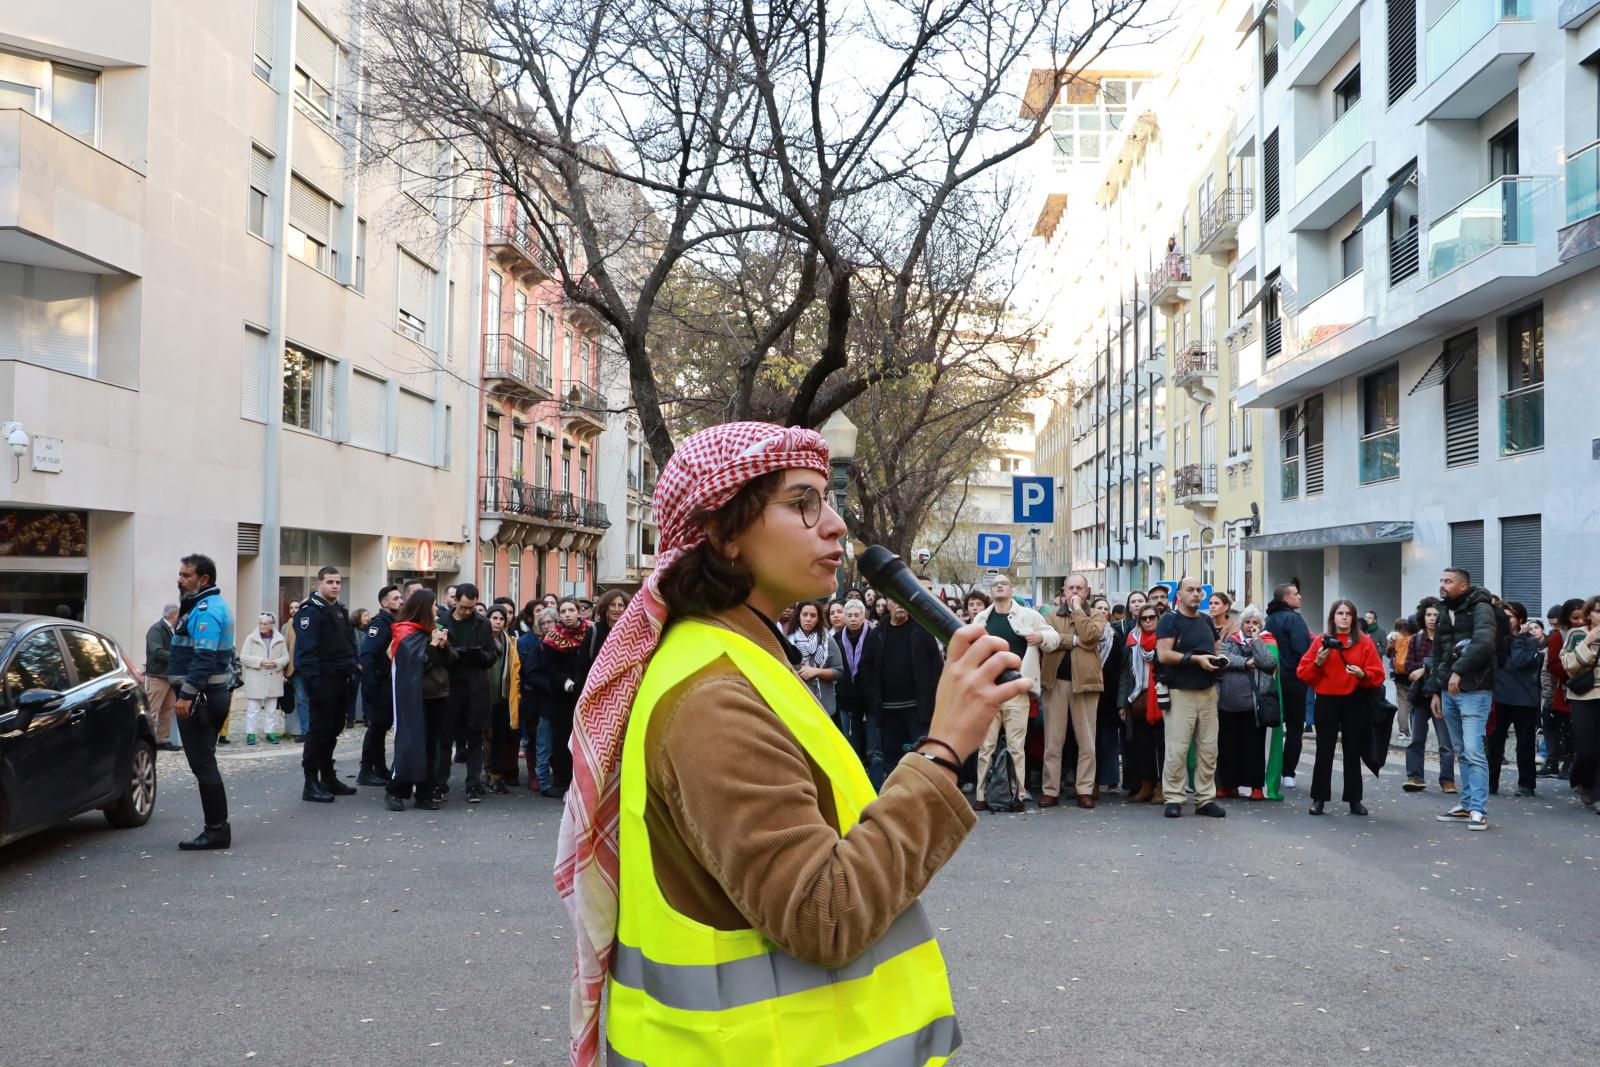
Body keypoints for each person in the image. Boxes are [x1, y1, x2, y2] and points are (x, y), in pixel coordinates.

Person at [554, 421, 1030, 1067]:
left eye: (827, 499)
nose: (835, 524)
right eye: (803, 502)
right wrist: (944, 747)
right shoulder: (711, 698)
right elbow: (822, 914)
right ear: (722, 534)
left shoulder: (742, 659)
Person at [971, 575, 1060, 812]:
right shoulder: (981, 618)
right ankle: (981, 795)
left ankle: (1018, 795)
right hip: (988, 690)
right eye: (995, 584)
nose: (999, 586)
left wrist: (1040, 637)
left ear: (1011, 590)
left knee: (1016, 747)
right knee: (985, 747)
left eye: (1004, 583)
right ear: (991, 592)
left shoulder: (1029, 616)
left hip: (1017, 690)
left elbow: (1053, 638)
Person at [169, 553, 236, 851]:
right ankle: (217, 828)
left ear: (204, 579)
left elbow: (204, 657)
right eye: (181, 574)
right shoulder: (201, 605)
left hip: (202, 697)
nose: (180, 580)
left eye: (186, 575)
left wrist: (186, 695)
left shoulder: (207, 609)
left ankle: (217, 830)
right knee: (205, 761)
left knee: (203, 763)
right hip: (209, 695)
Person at [1427, 568, 1500, 831]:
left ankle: (1479, 810)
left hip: (1475, 689)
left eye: (1448, 581)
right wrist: (1436, 690)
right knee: (1461, 751)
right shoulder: (1445, 610)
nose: (1442, 585)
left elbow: (1484, 643)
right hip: (1448, 691)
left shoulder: (1481, 608)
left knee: (1473, 750)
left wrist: (1458, 671)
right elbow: (1438, 652)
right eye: (1441, 580)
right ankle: (1467, 804)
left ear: (1463, 586)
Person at [1296, 600, 1385, 816]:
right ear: (1333, 617)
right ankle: (1319, 798)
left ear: (1353, 618)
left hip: (1355, 700)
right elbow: (1303, 673)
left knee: (1353, 750)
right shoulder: (1321, 641)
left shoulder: (1364, 641)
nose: (1344, 617)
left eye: (1348, 614)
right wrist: (1318, 662)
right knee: (1324, 750)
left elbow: (1378, 673)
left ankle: (1354, 799)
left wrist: (1363, 674)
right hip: (1327, 699)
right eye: (1340, 613)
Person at [1154, 576, 1226, 818]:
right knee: (1177, 749)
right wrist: (1195, 659)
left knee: (1209, 749)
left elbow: (1216, 649)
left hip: (1207, 692)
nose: (1196, 594)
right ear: (1179, 595)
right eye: (1190, 590)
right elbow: (1164, 654)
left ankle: (1205, 799)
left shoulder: (1205, 620)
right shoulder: (1170, 620)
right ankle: (1174, 798)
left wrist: (1219, 661)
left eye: (1199, 590)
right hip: (1180, 692)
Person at [293, 568, 360, 803]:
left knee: (333, 730)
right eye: (330, 582)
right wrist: (315, 684)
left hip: (341, 678)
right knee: (319, 731)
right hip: (324, 679)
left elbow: (346, 643)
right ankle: (310, 782)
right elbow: (307, 652)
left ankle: (328, 777)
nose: (335, 586)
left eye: (338, 582)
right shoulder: (310, 611)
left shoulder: (338, 610)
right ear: (318, 584)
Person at [1039, 573, 1105, 809]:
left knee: (1086, 741)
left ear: (1086, 592)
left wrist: (1078, 611)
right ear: (1064, 591)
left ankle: (1084, 790)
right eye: (1071, 588)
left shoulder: (1096, 614)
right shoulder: (1051, 615)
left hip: (1085, 684)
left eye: (1079, 588)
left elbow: (1091, 636)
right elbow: (1048, 640)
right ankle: (1050, 790)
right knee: (1053, 741)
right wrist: (1075, 641)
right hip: (1055, 682)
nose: (1075, 592)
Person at [385, 588, 455, 811]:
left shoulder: (435, 630)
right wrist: (433, 646)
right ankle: (396, 790)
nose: (437, 609)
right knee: (410, 744)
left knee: (431, 747)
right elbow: (417, 665)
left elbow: (452, 660)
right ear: (424, 607)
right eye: (434, 605)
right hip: (416, 698)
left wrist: (443, 646)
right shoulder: (406, 632)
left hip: (438, 696)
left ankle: (425, 793)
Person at [871, 597, 943, 784]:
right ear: (888, 604)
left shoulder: (922, 631)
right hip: (888, 712)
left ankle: (923, 793)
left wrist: (931, 698)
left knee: (922, 757)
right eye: (895, 601)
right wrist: (873, 700)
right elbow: (866, 668)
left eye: (903, 601)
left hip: (917, 710)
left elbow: (936, 667)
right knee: (893, 762)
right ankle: (897, 793)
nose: (900, 605)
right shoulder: (877, 634)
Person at [440, 582, 496, 803]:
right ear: (455, 601)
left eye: (471, 608)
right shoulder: (442, 621)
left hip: (475, 687)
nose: (466, 612)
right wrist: (450, 653)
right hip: (449, 686)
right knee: (445, 738)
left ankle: (473, 784)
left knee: (475, 737)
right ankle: (440, 783)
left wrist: (478, 655)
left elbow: (492, 656)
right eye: (463, 607)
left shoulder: (483, 623)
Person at [1216, 606, 1277, 800]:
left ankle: (1256, 787)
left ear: (1261, 625)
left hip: (1254, 706)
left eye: (1255, 623)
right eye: (1248, 622)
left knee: (1254, 748)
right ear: (1241, 624)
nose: (1251, 626)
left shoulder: (1266, 641)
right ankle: (1228, 785)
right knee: (1228, 747)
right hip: (1228, 704)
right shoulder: (1231, 641)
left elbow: (1268, 663)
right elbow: (1223, 658)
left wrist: (1256, 640)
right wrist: (1246, 663)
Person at [539, 596, 593, 797]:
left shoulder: (591, 632)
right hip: (562, 696)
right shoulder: (552, 639)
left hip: (588, 693)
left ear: (579, 612)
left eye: (571, 610)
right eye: (563, 611)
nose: (567, 614)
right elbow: (548, 669)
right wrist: (567, 683)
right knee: (562, 740)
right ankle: (564, 780)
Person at [1490, 601, 1542, 797]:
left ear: (1520, 619)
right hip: (1499, 697)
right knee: (1494, 744)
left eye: (1510, 616)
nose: (1506, 620)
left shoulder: (1528, 639)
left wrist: (1520, 637)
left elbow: (1520, 661)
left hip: (1524, 699)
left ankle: (1526, 784)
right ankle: (1490, 783)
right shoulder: (1495, 639)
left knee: (1525, 744)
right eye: (1503, 616)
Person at [1403, 599, 1456, 794]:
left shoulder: (1447, 640)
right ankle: (1415, 777)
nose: (1432, 619)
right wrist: (1427, 667)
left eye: (1435, 615)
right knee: (1416, 739)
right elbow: (1409, 667)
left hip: (1441, 695)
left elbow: (1448, 665)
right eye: (1428, 615)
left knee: (1446, 742)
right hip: (1420, 696)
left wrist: (1425, 668)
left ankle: (1447, 780)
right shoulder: (1416, 640)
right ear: (1422, 617)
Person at [1265, 582, 1312, 788]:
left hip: (1273, 679)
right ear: (1286, 598)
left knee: (1272, 726)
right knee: (1294, 728)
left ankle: (1270, 769)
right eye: (1296, 594)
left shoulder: (1269, 620)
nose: (1300, 596)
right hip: (1294, 680)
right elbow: (1302, 649)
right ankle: (1288, 773)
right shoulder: (1294, 619)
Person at [1117, 603, 1166, 803]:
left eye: (1151, 617)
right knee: (1142, 746)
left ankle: (1163, 787)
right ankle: (1146, 786)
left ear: (1158, 618)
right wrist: (1122, 703)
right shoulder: (1132, 641)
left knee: (1163, 747)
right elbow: (1125, 674)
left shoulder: (1166, 640)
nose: (1147, 621)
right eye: (1144, 618)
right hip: (1137, 698)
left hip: (1162, 698)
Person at [357, 585, 403, 786]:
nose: (400, 601)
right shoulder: (379, 624)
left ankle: (380, 767)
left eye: (400, 598)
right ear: (384, 603)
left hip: (388, 682)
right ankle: (366, 770)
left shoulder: (393, 623)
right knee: (376, 727)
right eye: (395, 598)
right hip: (379, 682)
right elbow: (368, 655)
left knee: (383, 726)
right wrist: (371, 685)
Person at [1559, 596, 1600, 812]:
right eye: (1597, 611)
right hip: (1584, 697)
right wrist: (1588, 642)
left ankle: (1595, 792)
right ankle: (1581, 778)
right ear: (1589, 614)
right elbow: (1569, 665)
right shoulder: (1577, 634)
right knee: (1586, 749)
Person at [835, 599, 882, 775]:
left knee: (874, 749)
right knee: (851, 747)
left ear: (864, 616)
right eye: (849, 615)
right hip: (847, 701)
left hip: (871, 701)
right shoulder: (836, 639)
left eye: (857, 615)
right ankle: (855, 781)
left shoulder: (875, 637)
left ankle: (876, 785)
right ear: (844, 617)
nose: (853, 619)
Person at [786, 601, 845, 739]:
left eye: (813, 615)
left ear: (818, 619)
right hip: (797, 704)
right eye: (805, 614)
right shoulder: (788, 640)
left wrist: (816, 671)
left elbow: (839, 671)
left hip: (823, 706)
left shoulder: (827, 640)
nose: (808, 619)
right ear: (798, 616)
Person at [1541, 599, 1583, 779]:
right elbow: (1552, 665)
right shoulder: (1559, 636)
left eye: (1583, 617)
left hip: (1590, 691)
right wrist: (1574, 674)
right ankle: (1567, 762)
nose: (1580, 622)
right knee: (1566, 733)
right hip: (1567, 692)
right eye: (1575, 618)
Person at [519, 607, 558, 794]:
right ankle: (542, 781)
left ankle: (558, 778)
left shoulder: (566, 645)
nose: (546, 626)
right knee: (541, 743)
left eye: (550, 622)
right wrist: (551, 684)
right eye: (543, 623)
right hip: (541, 702)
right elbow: (530, 674)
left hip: (561, 701)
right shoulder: (538, 647)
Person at [485, 605, 523, 793]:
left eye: (501, 619)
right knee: (484, 739)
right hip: (483, 697)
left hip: (503, 698)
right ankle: (484, 774)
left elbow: (516, 671)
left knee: (499, 738)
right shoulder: (481, 640)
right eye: (494, 618)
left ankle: (496, 776)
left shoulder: (510, 643)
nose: (498, 622)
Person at [239, 612, 288, 745]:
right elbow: (243, 657)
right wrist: (260, 661)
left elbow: (285, 657)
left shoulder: (280, 639)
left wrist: (276, 663)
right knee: (253, 709)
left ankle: (270, 733)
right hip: (256, 678)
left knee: (271, 709)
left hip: (273, 678)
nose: (262, 626)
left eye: (265, 624)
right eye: (260, 623)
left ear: (271, 625)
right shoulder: (251, 638)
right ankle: (251, 734)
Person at [144, 604, 182, 751]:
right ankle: (146, 739)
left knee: (168, 709)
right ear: (174, 615)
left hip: (170, 675)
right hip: (158, 675)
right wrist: (177, 658)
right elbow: (157, 651)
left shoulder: (172, 629)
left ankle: (162, 739)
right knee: (153, 709)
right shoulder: (156, 629)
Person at [1389, 618, 1415, 744]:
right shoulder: (1414, 638)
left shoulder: (1394, 638)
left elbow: (1388, 654)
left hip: (1399, 676)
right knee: (1415, 704)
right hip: (1413, 674)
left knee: (1403, 704)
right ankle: (1416, 730)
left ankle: (1403, 731)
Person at [587, 589, 629, 661]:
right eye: (612, 605)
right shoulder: (594, 631)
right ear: (605, 608)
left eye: (620, 605)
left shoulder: (630, 631)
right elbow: (583, 663)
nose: (616, 609)